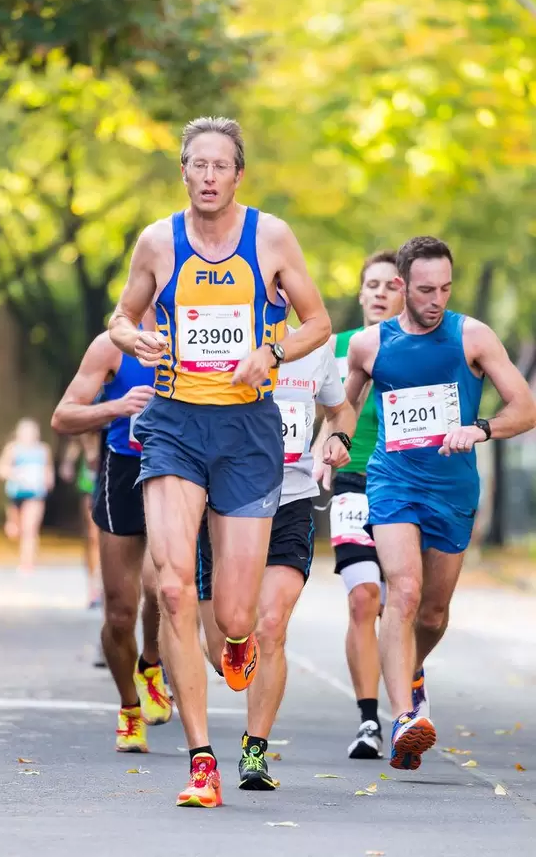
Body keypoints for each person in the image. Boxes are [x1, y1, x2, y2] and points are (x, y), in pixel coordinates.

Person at [108, 116, 332, 807]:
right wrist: (134, 339)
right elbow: (121, 317)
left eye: (220, 166)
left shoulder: (271, 237)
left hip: (247, 431)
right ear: (183, 172)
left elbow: (319, 322)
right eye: (196, 164)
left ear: (238, 175)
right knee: (174, 588)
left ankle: (236, 640)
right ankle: (201, 760)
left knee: (236, 617)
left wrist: (272, 351)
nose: (208, 176)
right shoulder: (156, 241)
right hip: (174, 424)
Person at [345, 235, 536, 771]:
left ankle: (410, 669)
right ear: (402, 285)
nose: (437, 300)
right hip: (393, 480)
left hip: (453, 490)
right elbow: (345, 405)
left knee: (432, 614)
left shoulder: (472, 336)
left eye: (445, 289)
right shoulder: (370, 344)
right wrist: (333, 441)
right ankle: (405, 719)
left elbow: (525, 407)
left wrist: (481, 428)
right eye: (426, 290)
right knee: (403, 591)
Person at [197, 312, 357, 790]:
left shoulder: (316, 347)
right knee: (223, 650)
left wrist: (338, 438)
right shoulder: (221, 338)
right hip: (228, 505)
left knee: (271, 625)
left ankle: (255, 750)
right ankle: (232, 639)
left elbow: (341, 410)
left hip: (291, 500)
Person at [51, 308, 172, 755]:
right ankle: (129, 708)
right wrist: (117, 407)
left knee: (161, 588)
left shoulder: (202, 340)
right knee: (120, 612)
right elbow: (63, 417)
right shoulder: (112, 346)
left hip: (177, 473)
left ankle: (152, 663)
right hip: (123, 471)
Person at [312, 250, 403, 760]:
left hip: (406, 485)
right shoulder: (337, 346)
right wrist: (318, 454)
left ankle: (409, 694)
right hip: (353, 480)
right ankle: (370, 720)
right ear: (362, 292)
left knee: (403, 602)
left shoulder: (419, 349)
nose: (381, 293)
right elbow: (319, 408)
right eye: (373, 285)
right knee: (364, 598)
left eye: (392, 285)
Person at [0, 418, 55, 573]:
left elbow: (48, 469)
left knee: (30, 529)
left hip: (35, 494)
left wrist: (48, 480)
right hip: (15, 494)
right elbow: (0, 469)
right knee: (15, 531)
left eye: (32, 432)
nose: (29, 435)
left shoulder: (43, 450)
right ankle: (13, 528)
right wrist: (15, 473)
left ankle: (27, 563)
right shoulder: (12, 449)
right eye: (25, 432)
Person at [59, 432, 102, 608]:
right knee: (93, 535)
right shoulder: (89, 430)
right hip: (92, 476)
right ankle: (94, 586)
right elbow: (78, 435)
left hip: (120, 467)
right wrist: (68, 462)